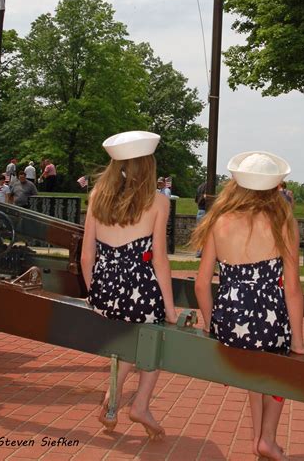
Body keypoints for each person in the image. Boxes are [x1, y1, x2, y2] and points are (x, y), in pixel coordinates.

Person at [193, 150, 304, 461]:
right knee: (279, 369)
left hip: (230, 323)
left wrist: (211, 324)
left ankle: (258, 437)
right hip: (269, 322)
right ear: (275, 189)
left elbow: (202, 283)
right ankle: (268, 439)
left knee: (255, 367)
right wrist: (298, 342)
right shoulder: (282, 223)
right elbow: (294, 289)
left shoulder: (218, 221)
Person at [81, 130, 178, 438]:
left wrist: (94, 295)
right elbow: (159, 260)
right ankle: (141, 405)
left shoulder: (98, 194)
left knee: (128, 342)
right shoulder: (158, 203)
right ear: (147, 165)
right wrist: (171, 310)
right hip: (140, 289)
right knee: (154, 340)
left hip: (104, 288)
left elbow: (87, 256)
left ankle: (112, 401)